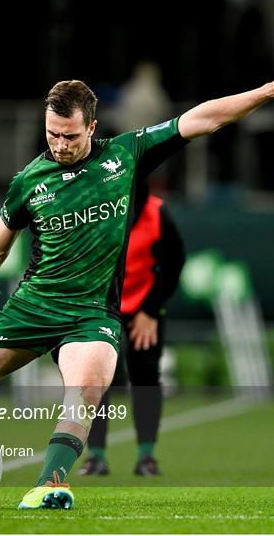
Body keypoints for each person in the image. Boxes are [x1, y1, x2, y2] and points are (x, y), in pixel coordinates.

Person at [0, 49, 274, 510]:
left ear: (91, 127)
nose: (59, 145)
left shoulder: (126, 155)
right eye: (52, 134)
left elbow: (202, 119)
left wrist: (268, 91)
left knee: (86, 392)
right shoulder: (30, 180)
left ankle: (51, 483)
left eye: (69, 136)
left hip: (91, 314)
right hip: (35, 304)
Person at [78, 182, 185, 477]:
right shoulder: (91, 209)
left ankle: (147, 456)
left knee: (146, 375)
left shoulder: (157, 213)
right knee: (95, 379)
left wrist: (151, 310)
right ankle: (95, 457)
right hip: (100, 305)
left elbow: (174, 264)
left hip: (143, 307)